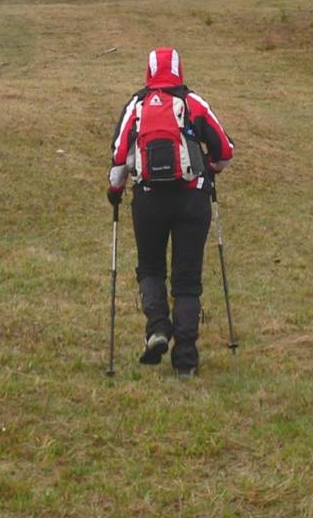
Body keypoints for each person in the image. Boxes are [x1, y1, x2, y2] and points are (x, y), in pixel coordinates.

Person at [107, 46, 233, 377]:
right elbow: (225, 151)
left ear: (148, 72)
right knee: (187, 280)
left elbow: (119, 157)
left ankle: (158, 328)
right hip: (192, 199)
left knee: (150, 268)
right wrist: (210, 169)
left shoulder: (136, 105)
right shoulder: (194, 103)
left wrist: (114, 192)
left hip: (148, 200)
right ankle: (186, 360)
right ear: (179, 70)